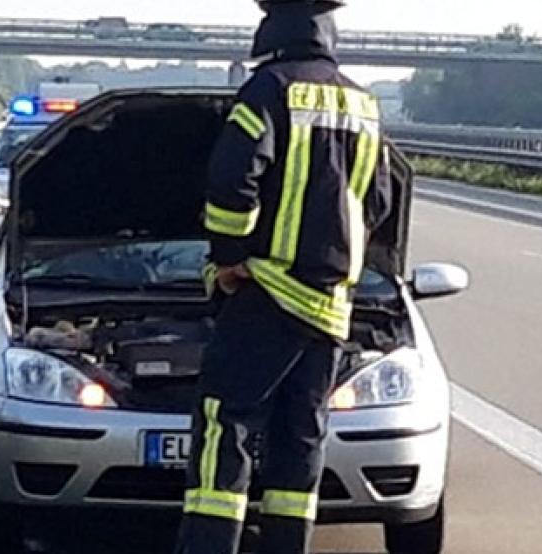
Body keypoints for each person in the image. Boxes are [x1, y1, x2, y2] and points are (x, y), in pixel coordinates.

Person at [174, 1, 392, 553]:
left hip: (266, 292)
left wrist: (229, 257)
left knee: (226, 427)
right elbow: (381, 200)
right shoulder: (364, 105)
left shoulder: (269, 90)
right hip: (330, 307)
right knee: (300, 440)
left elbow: (231, 183)